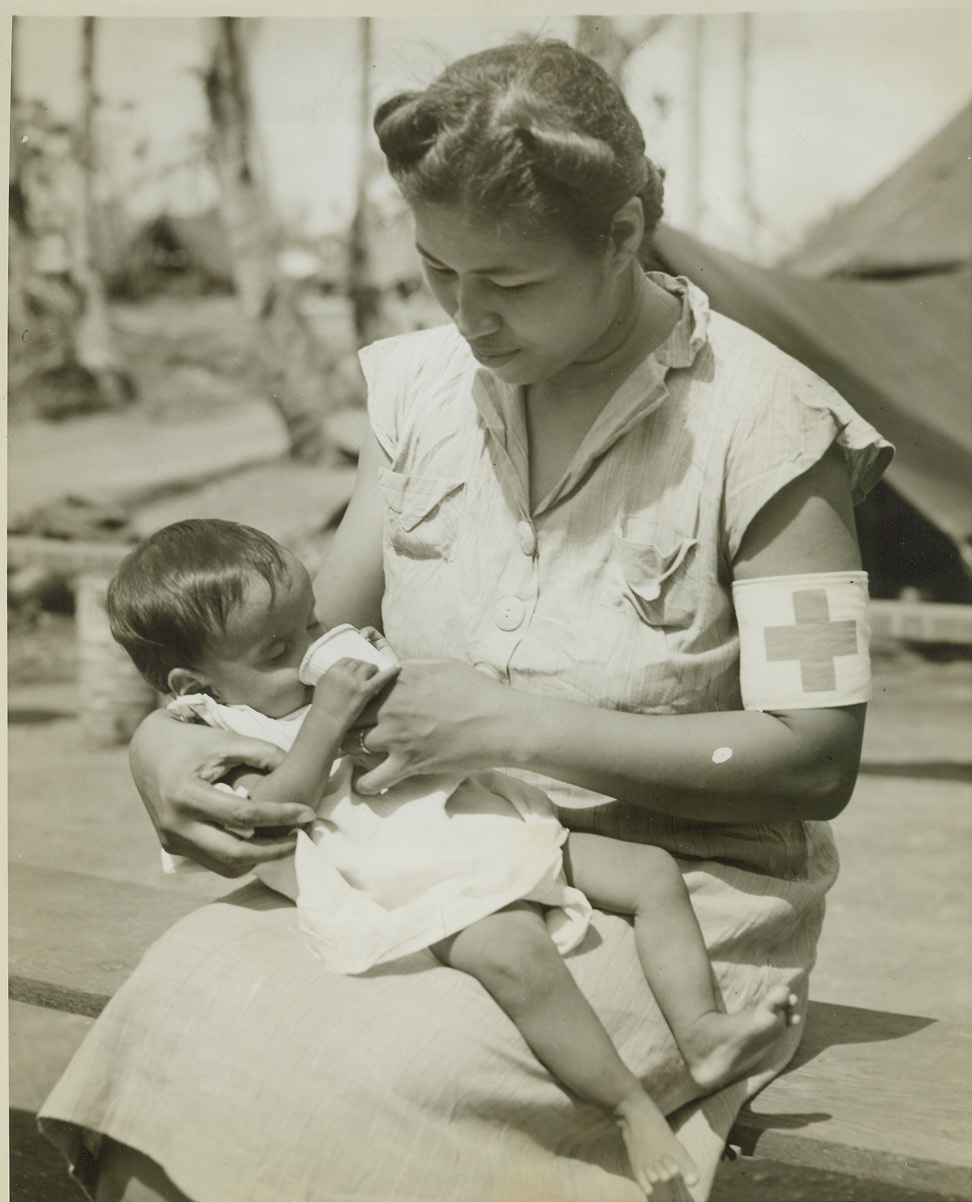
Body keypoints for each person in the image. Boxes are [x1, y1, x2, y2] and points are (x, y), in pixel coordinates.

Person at [40, 38, 892, 1202]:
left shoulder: (775, 430)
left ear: (625, 235)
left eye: (512, 281)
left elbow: (819, 756)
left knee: (383, 1070)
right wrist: (165, 744)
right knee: (184, 994)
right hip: (423, 855)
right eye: (439, 271)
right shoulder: (421, 393)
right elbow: (293, 647)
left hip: (668, 900)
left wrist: (512, 725)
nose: (470, 318)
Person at [106, 517, 804, 1196]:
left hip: (492, 828)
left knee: (649, 873)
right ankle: (628, 1107)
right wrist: (323, 719)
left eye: (311, 624)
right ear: (193, 688)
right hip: (421, 881)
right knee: (518, 958)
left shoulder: (301, 680)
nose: (311, 649)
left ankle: (703, 1031)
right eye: (277, 650)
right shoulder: (228, 727)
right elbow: (277, 807)